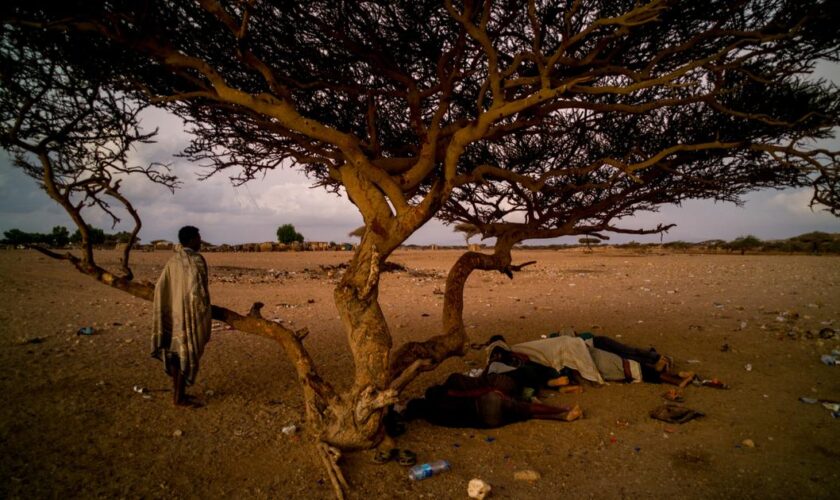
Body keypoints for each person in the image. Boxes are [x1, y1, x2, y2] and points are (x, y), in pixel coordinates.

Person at [151, 226, 212, 406]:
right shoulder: (196, 260)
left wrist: (168, 305)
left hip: (175, 314)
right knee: (184, 352)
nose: (200, 241)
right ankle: (179, 397)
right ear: (192, 239)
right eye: (198, 238)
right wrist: (202, 312)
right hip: (190, 314)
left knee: (176, 353)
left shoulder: (173, 261)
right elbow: (200, 290)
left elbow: (161, 286)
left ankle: (179, 394)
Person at [403, 372, 582, 429]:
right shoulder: (446, 393)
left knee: (525, 415)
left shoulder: (435, 418)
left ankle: (564, 416)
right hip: (486, 406)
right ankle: (562, 410)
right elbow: (469, 395)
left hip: (487, 422)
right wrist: (493, 392)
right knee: (524, 408)